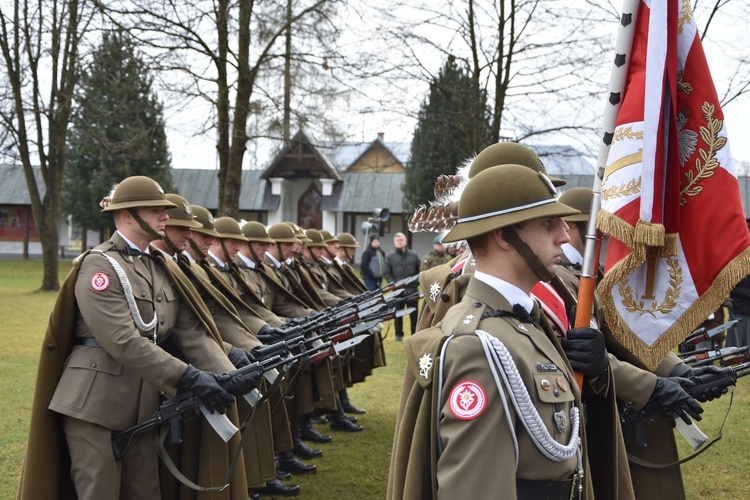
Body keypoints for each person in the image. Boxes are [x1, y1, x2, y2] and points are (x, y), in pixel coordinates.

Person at [19, 176, 259, 500]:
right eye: (156, 210)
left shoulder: (159, 267)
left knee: (146, 492)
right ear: (128, 215)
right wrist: (188, 376)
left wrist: (230, 373)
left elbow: (189, 331)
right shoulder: (99, 266)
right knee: (100, 493)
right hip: (94, 404)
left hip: (143, 404)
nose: (165, 216)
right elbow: (122, 341)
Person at [388, 164, 608, 499]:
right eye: (548, 224)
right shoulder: (478, 347)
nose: (564, 235)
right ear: (505, 236)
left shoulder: (526, 320)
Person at [384, 232, 420, 340]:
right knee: (397, 313)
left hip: (412, 289)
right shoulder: (390, 257)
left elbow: (419, 269)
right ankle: (398, 334)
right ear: (394, 243)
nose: (399, 242)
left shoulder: (413, 255)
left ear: (405, 241)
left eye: (401, 240)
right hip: (397, 290)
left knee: (414, 313)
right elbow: (386, 272)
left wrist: (416, 282)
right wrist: (393, 284)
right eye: (397, 240)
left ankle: (415, 333)